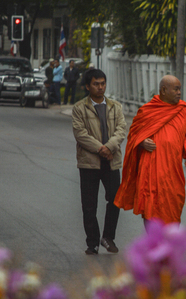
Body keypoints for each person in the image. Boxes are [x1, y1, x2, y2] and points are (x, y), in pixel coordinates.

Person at [114, 75, 186, 225]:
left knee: (174, 204)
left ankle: (169, 243)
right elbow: (134, 136)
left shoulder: (183, 110)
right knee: (150, 205)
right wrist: (142, 142)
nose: (179, 92)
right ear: (164, 90)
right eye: (176, 89)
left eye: (180, 89)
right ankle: (154, 242)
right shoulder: (147, 111)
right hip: (151, 168)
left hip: (173, 169)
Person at [72, 69, 127, 255]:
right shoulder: (79, 108)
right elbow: (80, 134)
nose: (100, 87)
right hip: (89, 163)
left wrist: (109, 147)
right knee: (89, 205)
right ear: (88, 86)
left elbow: (121, 130)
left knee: (115, 199)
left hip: (111, 162)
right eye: (96, 84)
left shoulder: (115, 107)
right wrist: (101, 149)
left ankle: (108, 237)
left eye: (103, 83)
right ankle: (92, 242)